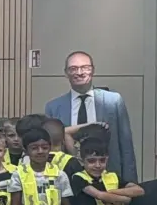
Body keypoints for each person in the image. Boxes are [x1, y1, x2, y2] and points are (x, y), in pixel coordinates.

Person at [44, 51, 138, 182]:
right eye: (73, 69)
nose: (80, 72)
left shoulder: (113, 101)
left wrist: (130, 182)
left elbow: (126, 145)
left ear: (93, 70)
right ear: (66, 73)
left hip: (109, 176)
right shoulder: (53, 107)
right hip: (68, 178)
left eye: (85, 68)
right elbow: (50, 148)